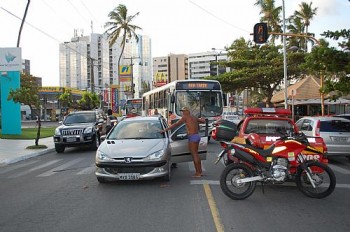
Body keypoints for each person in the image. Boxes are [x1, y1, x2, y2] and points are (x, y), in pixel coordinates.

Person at [160, 106, 206, 177]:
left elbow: (176, 124)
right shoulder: (194, 117)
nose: (183, 113)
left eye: (184, 111)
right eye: (182, 111)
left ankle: (198, 173)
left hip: (192, 137)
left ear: (187, 111)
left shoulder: (185, 117)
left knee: (194, 155)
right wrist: (202, 119)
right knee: (196, 154)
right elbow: (203, 121)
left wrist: (165, 130)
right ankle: (200, 171)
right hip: (197, 136)